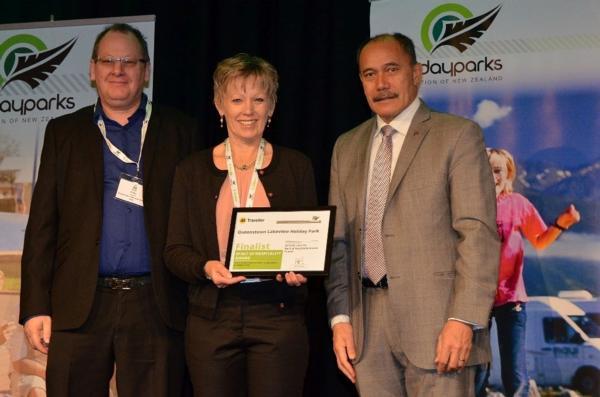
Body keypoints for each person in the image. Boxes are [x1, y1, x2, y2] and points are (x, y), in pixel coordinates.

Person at [19, 23, 197, 396]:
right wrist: (36, 306)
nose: (118, 70)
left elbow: (196, 221)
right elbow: (42, 227)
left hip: (156, 305)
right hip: (78, 305)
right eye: (109, 60)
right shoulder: (63, 132)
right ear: (92, 69)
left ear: (145, 71)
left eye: (129, 61)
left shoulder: (182, 131)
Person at [325, 32, 501, 397]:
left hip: (438, 325)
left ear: (417, 73)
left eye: (392, 69)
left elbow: (478, 234)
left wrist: (462, 319)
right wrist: (340, 318)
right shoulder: (347, 146)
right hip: (366, 330)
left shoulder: (458, 135)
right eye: (369, 74)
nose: (381, 83)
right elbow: (337, 243)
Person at [164, 53, 317, 397]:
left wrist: (301, 268)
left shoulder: (297, 166)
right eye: (237, 99)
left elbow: (310, 239)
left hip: (278, 315)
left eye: (259, 99)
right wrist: (205, 267)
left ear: (272, 106)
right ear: (220, 105)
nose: (248, 109)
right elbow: (174, 250)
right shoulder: (191, 170)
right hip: (212, 317)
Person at [475, 148, 581, 397]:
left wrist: (561, 223)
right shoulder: (468, 204)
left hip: (512, 301)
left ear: (508, 173)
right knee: (477, 373)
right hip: (476, 299)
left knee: (515, 374)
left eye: (497, 170)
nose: (492, 175)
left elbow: (540, 241)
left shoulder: (517, 203)